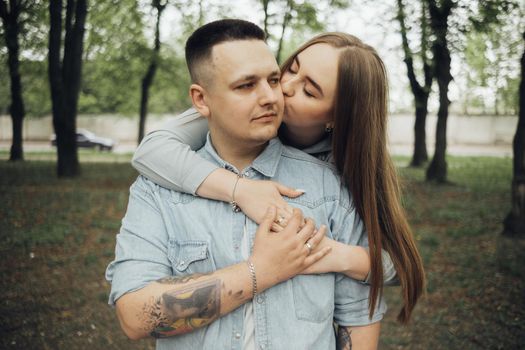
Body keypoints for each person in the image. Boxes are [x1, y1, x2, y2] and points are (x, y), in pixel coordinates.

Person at [106, 19, 385, 349]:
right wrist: (261, 271)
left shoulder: (332, 189)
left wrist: (347, 257)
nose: (274, 95)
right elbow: (135, 316)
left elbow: (360, 314)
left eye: (273, 79)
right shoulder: (158, 189)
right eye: (245, 86)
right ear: (201, 100)